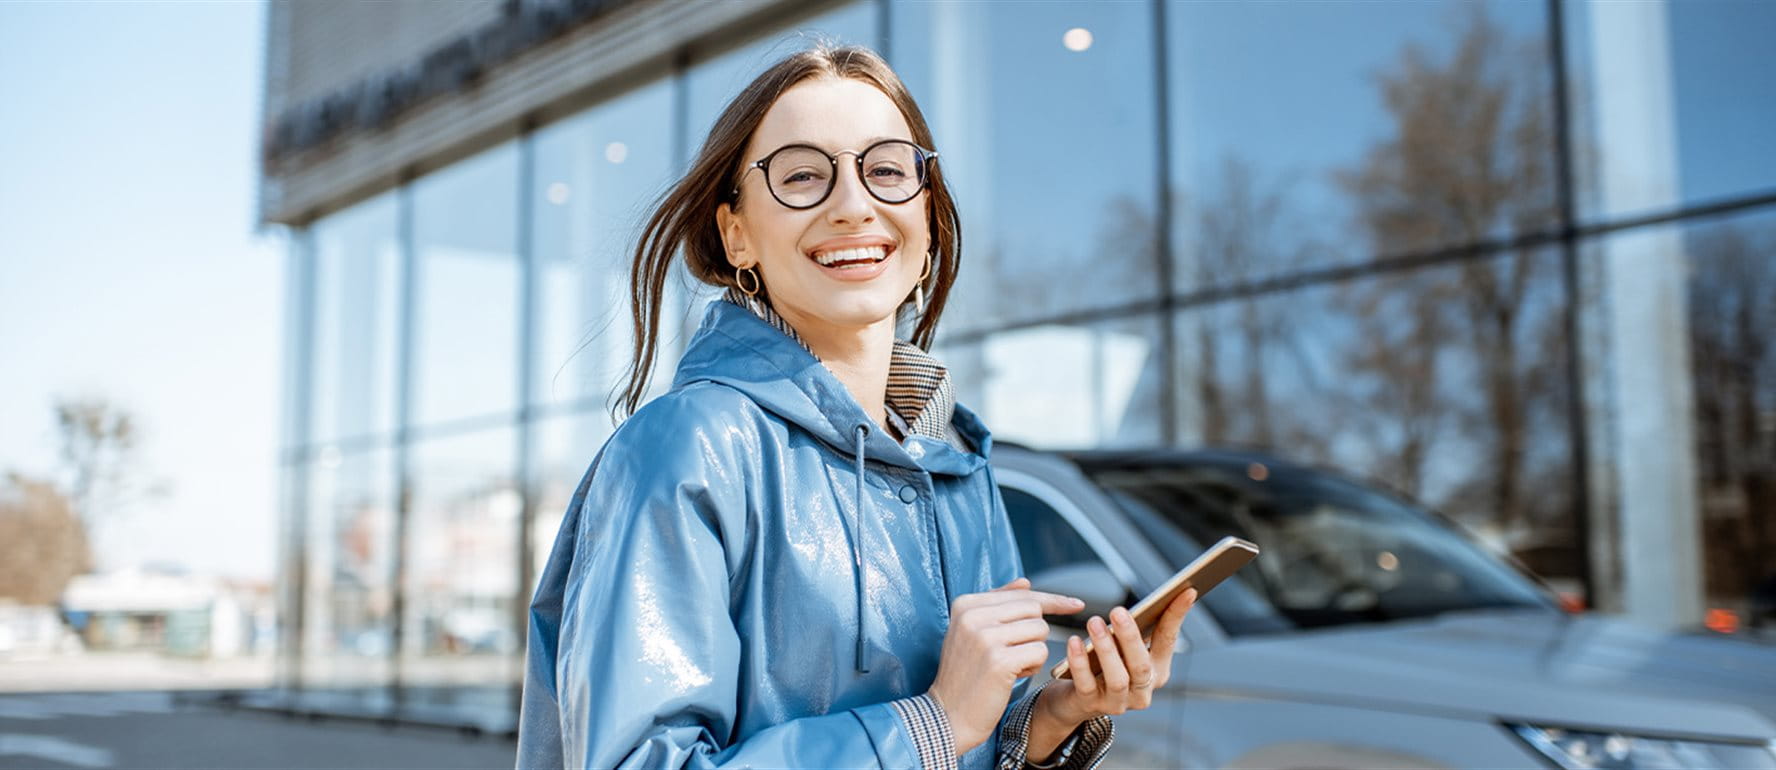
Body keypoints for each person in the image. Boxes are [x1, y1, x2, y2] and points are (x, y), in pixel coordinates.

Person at [516, 44, 1198, 770]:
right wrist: (931, 723)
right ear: (736, 233)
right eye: (804, 175)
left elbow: (970, 739)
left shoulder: (958, 463)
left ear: (927, 218)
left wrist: (1050, 720)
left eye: (887, 170)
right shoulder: (687, 449)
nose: (853, 204)